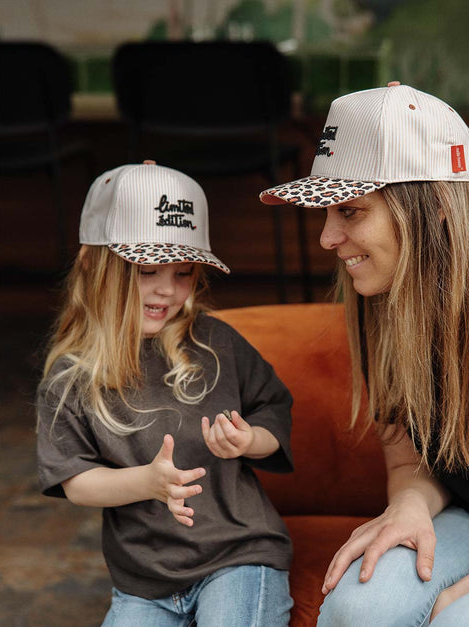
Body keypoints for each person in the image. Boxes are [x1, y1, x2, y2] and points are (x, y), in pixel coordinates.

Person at [260, 82, 469, 626]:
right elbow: (405, 446)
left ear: (432, 205)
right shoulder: (385, 293)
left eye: (351, 212)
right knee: (360, 607)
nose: (328, 239)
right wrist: (408, 501)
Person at [37, 162, 294, 627]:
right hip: (143, 583)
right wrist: (147, 483)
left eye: (184, 272)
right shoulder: (68, 377)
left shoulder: (216, 344)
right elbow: (75, 481)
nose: (166, 289)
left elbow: (275, 408)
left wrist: (250, 440)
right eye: (147, 268)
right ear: (95, 264)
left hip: (239, 556)